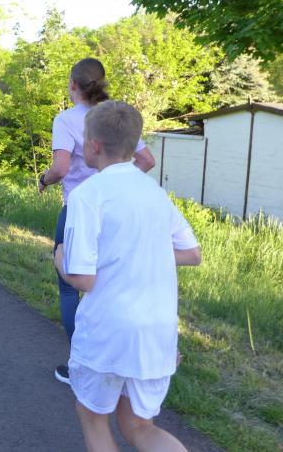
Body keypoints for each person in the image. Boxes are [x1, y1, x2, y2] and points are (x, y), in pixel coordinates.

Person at [53, 100, 201, 452]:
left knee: (91, 415)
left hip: (108, 330)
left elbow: (83, 278)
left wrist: (59, 259)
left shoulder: (87, 195)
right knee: (137, 425)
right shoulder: (155, 192)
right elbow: (192, 253)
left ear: (93, 145)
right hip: (156, 331)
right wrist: (141, 253)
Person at [39, 58, 155, 385]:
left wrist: (44, 180)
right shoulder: (115, 115)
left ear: (72, 85)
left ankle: (81, 364)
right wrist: (120, 182)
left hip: (78, 208)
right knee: (110, 282)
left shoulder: (66, 119)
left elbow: (61, 168)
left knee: (70, 282)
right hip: (117, 211)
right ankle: (116, 360)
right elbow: (146, 160)